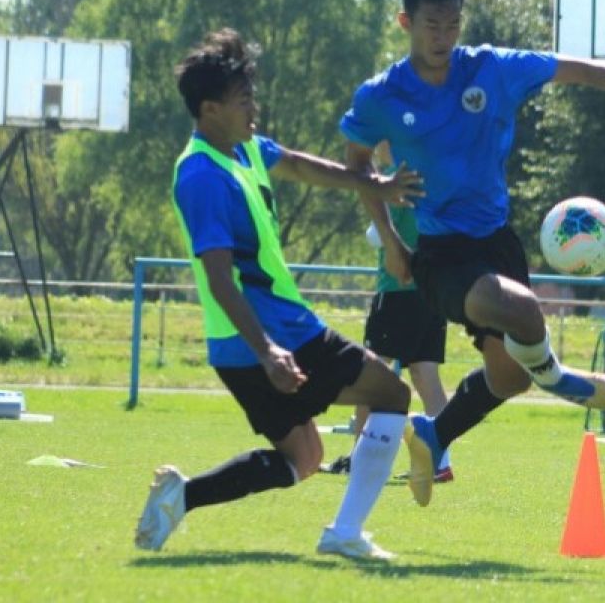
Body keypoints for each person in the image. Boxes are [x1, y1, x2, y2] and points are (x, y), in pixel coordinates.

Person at [340, 0, 605, 505]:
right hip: (437, 252)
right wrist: (391, 241)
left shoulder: (491, 69)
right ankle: (561, 380)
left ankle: (434, 434)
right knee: (527, 313)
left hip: (496, 241)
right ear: (404, 22)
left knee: (508, 379)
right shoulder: (381, 95)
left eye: (452, 24)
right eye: (431, 26)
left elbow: (573, 69)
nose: (443, 37)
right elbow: (356, 165)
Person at [135, 28, 427, 561]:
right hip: (274, 336)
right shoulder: (202, 175)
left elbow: (294, 163)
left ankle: (183, 496)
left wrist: (373, 185)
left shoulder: (241, 149)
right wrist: (268, 350)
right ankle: (344, 534)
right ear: (209, 109)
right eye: (243, 99)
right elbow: (220, 278)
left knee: (304, 458)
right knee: (391, 395)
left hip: (251, 344)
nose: (254, 108)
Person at [331, 141, 454, 483]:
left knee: (369, 374)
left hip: (398, 290)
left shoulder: (391, 180)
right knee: (426, 377)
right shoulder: (428, 176)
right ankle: (441, 461)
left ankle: (360, 459)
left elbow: (376, 236)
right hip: (433, 290)